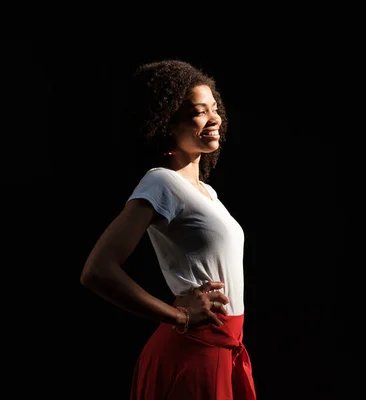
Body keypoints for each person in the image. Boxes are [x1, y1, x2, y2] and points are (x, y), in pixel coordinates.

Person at [80, 59, 257, 400]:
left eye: (214, 108)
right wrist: (179, 314)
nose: (215, 118)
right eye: (198, 112)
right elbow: (97, 270)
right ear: (168, 124)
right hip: (192, 352)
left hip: (223, 349)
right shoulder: (161, 181)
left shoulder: (208, 194)